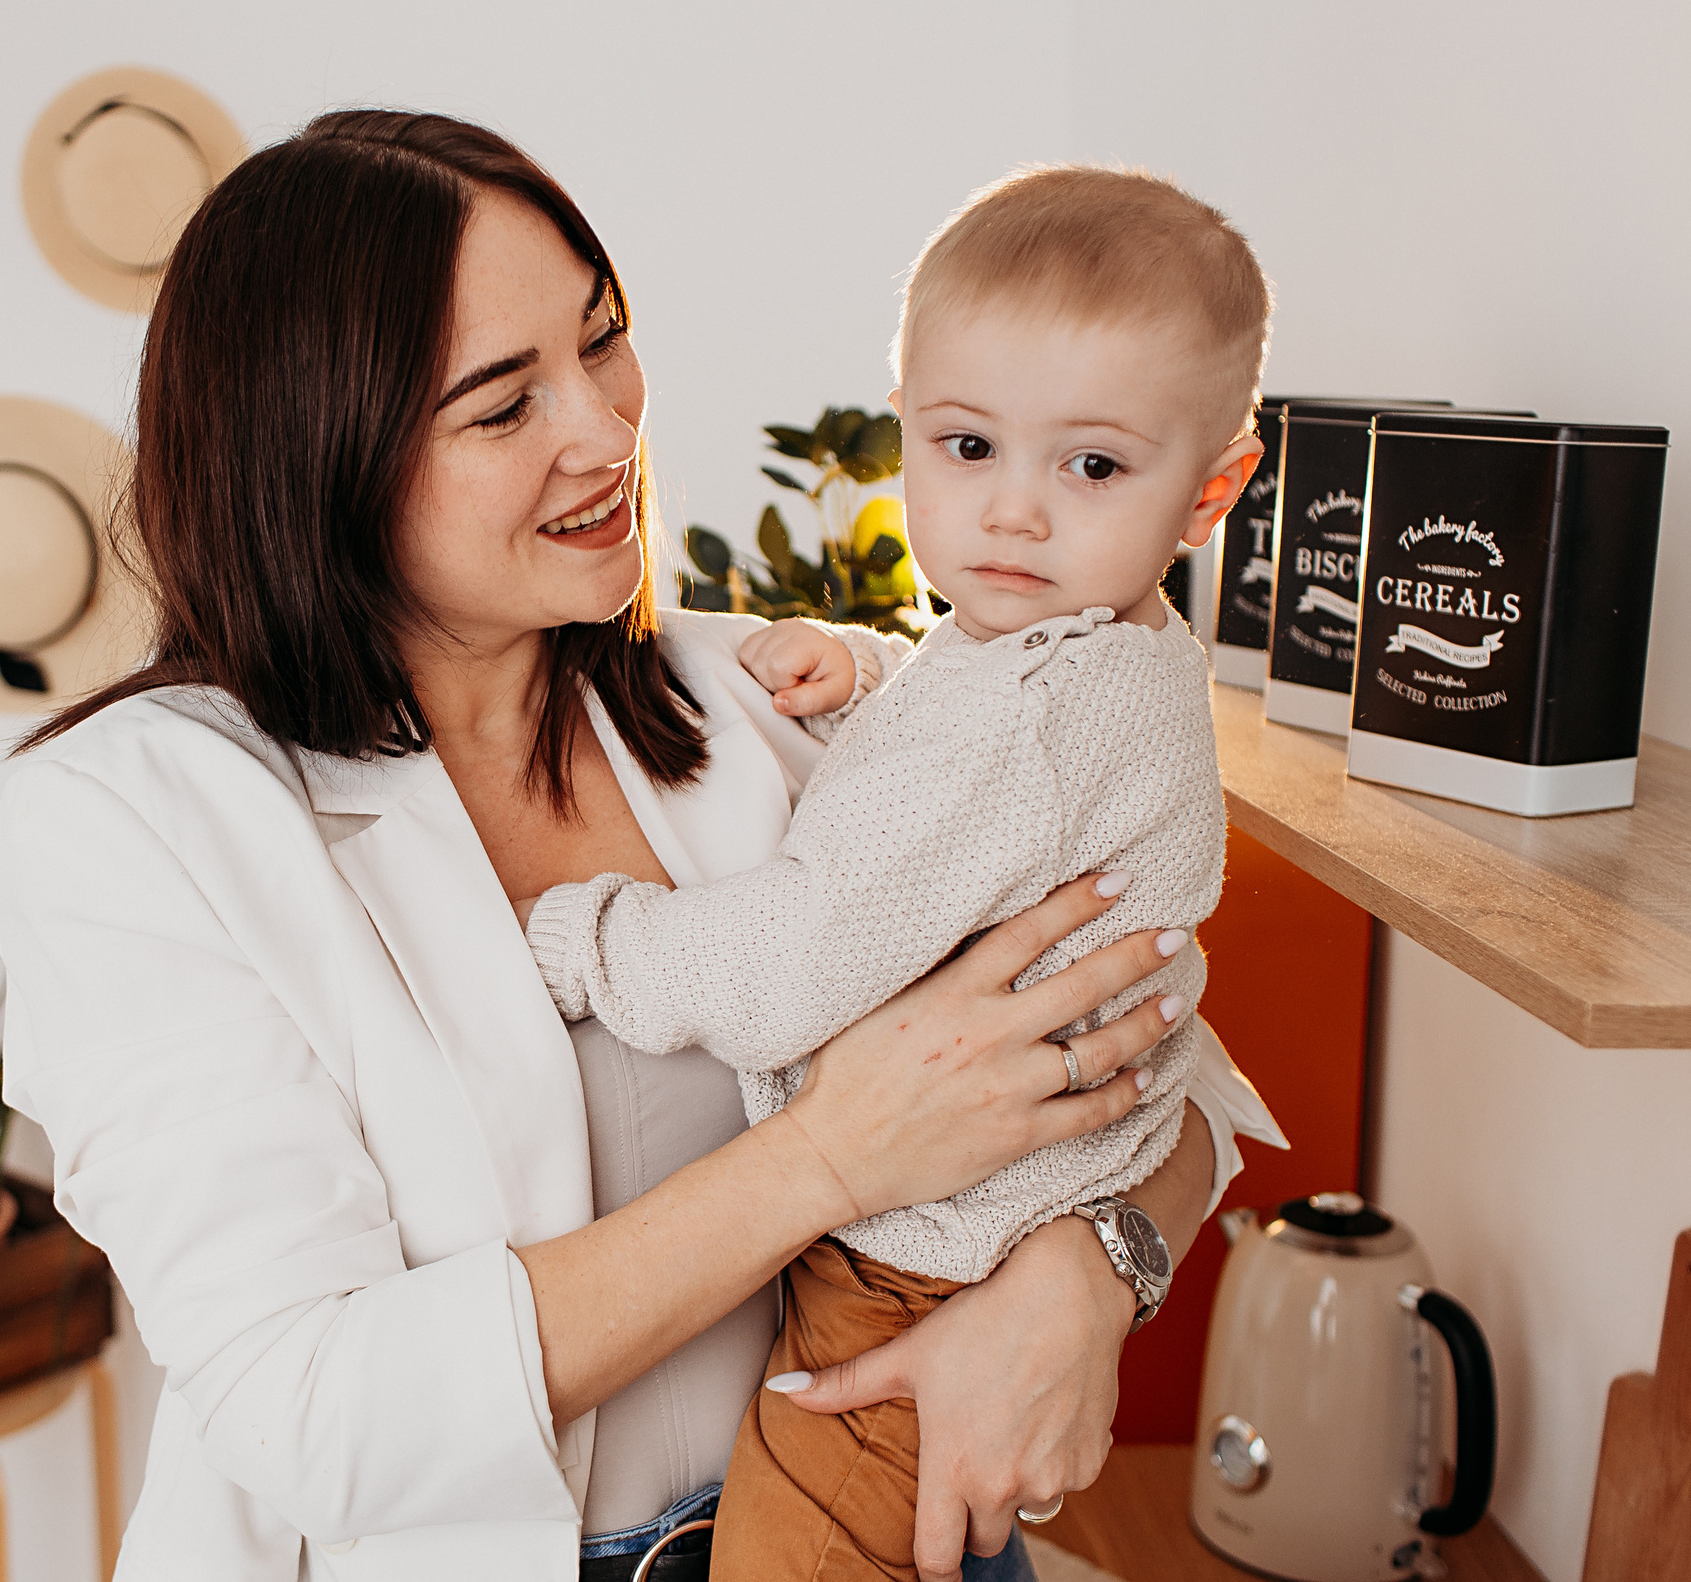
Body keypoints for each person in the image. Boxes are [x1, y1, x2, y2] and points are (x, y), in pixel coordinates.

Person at [0, 111, 1284, 1582]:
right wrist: (834, 1157)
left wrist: (1086, 1279)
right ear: (320, 458)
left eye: (603, 343)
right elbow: (309, 1411)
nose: (608, 433)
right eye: (502, 406)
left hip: (856, 1521)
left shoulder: (774, 698)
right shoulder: (132, 818)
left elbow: (1167, 1059)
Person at [519, 166, 1271, 1581]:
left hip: (921, 1275)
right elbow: (998, 751)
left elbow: (790, 971)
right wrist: (873, 670)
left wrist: (584, 939)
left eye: (1092, 467)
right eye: (967, 446)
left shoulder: (1030, 715)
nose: (1014, 516)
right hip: (982, 1231)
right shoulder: (1083, 658)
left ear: (1213, 489)